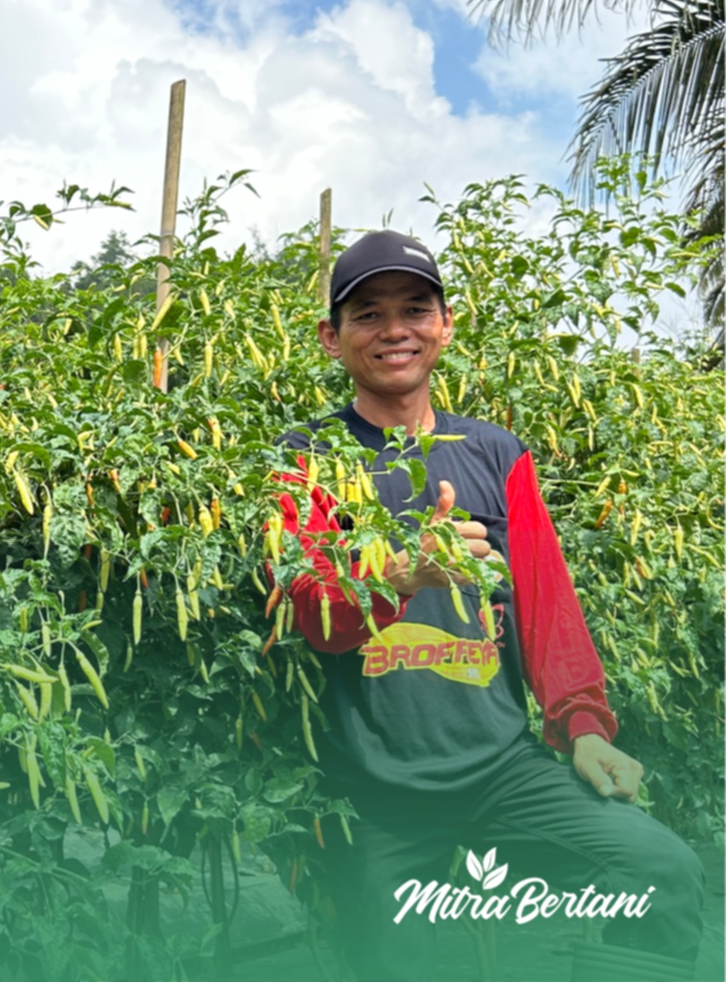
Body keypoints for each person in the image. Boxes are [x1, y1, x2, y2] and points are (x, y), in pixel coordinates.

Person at [271, 230, 705, 982]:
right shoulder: (305, 455)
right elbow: (309, 611)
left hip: (502, 770)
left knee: (659, 869)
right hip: (374, 787)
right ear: (330, 337)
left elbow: (546, 605)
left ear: (444, 324)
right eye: (367, 313)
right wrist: (401, 575)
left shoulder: (495, 452)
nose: (394, 329)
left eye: (414, 308)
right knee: (386, 957)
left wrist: (581, 725)